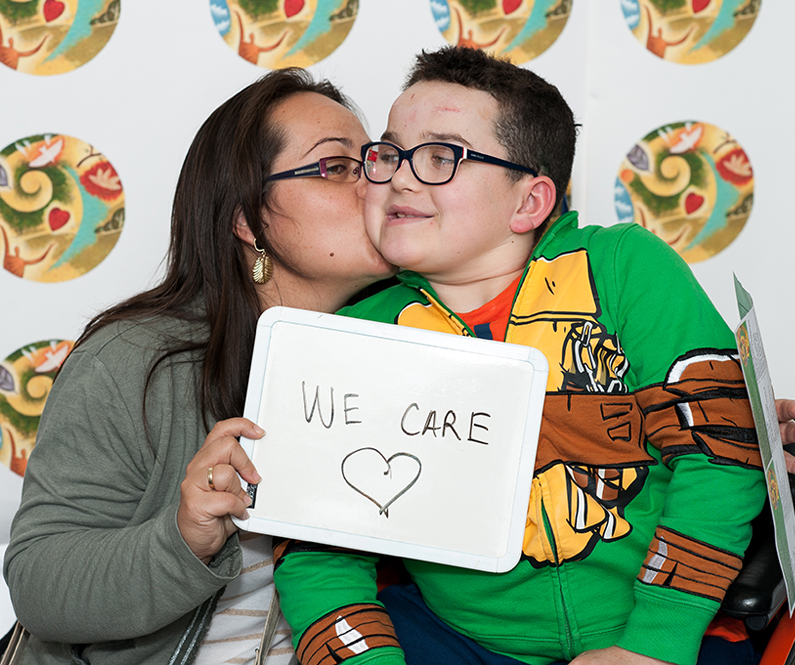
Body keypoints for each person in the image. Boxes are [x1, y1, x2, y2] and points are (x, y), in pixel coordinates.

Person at [272, 47, 767, 665]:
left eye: (440, 156)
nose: (399, 176)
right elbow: (318, 550)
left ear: (529, 202)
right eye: (390, 153)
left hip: (675, 631)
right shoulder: (355, 334)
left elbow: (721, 449)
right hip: (459, 639)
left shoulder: (624, 268)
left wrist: (656, 643)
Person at [2, 68, 394, 664]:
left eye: (375, 163)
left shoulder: (413, 354)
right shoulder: (133, 361)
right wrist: (183, 538)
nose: (376, 186)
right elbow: (39, 582)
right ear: (248, 221)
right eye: (335, 167)